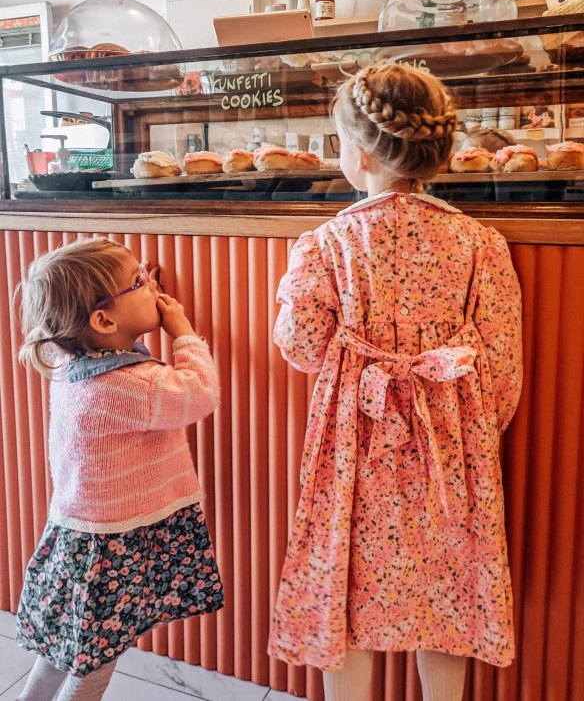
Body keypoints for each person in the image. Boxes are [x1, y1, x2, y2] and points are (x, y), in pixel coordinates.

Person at [268, 64, 522, 701]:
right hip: (451, 447)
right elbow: (503, 374)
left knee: (346, 585)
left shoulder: (327, 243)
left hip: (356, 438)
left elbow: (298, 343)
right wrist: (470, 427)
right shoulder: (480, 243)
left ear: (356, 152)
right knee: (447, 586)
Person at [14, 238, 223, 701]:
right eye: (139, 283)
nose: (149, 286)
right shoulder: (127, 387)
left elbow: (122, 343)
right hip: (114, 547)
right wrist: (184, 332)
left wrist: (134, 295)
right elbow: (200, 393)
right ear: (104, 320)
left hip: (83, 538)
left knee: (69, 646)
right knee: (96, 664)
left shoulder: (76, 363)